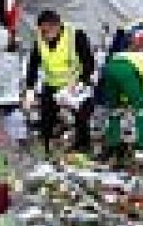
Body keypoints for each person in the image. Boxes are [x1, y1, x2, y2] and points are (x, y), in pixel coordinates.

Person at [24, 10, 94, 154]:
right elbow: (33, 64)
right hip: (52, 84)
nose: (44, 35)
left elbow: (89, 62)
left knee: (81, 117)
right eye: (41, 31)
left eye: (47, 31)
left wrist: (80, 82)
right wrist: (30, 88)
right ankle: (46, 145)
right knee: (46, 116)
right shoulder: (40, 39)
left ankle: (83, 145)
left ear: (57, 26)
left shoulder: (76, 36)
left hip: (74, 84)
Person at [101, 31, 143, 158]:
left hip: (110, 67)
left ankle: (112, 143)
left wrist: (127, 102)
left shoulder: (135, 56)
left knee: (115, 109)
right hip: (127, 70)